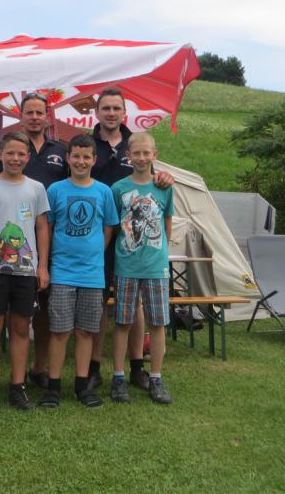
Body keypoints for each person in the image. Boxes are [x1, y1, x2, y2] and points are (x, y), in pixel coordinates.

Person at [89, 88, 174, 392]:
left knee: (134, 307)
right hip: (98, 234)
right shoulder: (88, 144)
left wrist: (164, 177)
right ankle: (95, 368)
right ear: (97, 112)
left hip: (138, 243)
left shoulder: (135, 142)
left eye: (116, 108)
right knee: (98, 303)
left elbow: (156, 187)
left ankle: (137, 367)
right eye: (106, 108)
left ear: (124, 113)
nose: (111, 113)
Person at [0, 92, 67, 389]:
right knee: (7, 309)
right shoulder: (8, 148)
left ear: (47, 117)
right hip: (10, 241)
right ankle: (3, 372)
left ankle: (39, 366)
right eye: (29, 112)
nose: (34, 117)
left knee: (44, 305)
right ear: (20, 116)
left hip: (48, 235)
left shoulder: (61, 151)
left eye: (39, 112)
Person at [0, 131, 50, 414]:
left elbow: (42, 227)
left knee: (20, 327)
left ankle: (18, 386)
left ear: (28, 157)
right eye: (10, 153)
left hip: (25, 271)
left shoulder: (36, 189)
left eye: (21, 154)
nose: (15, 158)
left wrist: (42, 265)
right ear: (0, 155)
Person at [38, 134, 119, 409]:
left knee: (86, 331)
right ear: (68, 158)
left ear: (94, 160)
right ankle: (53, 386)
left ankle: (82, 385)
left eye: (86, 157)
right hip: (62, 271)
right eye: (76, 156)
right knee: (59, 331)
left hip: (92, 274)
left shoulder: (104, 192)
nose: (81, 161)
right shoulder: (56, 190)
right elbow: (48, 228)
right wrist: (47, 263)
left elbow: (108, 228)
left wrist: (95, 252)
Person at [111, 132, 174, 404]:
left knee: (158, 323)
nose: (141, 157)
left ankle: (156, 377)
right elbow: (115, 226)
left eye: (146, 153)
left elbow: (167, 223)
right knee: (123, 321)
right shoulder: (118, 188)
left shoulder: (164, 187)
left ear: (154, 155)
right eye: (136, 153)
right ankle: (118, 377)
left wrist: (161, 254)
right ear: (128, 156)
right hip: (126, 265)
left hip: (155, 267)